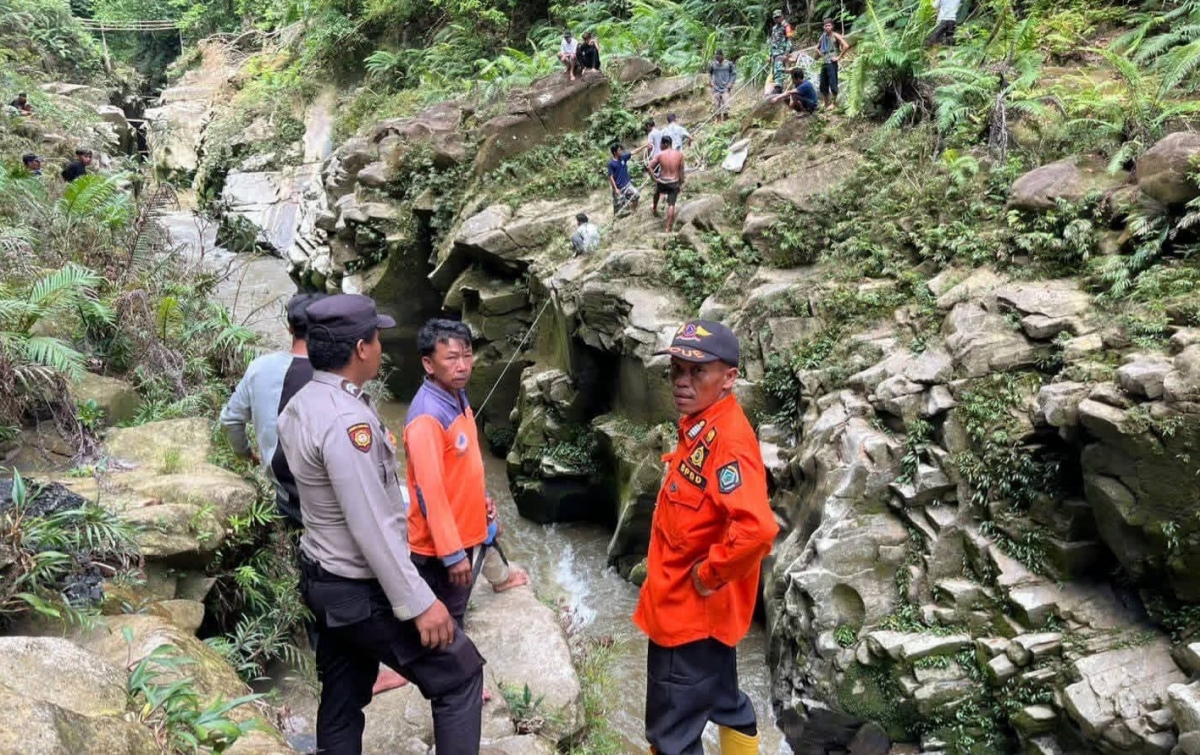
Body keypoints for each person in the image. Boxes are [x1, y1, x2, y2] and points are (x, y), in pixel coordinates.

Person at [276, 294, 485, 755]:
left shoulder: (305, 400)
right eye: (377, 338)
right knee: (460, 674)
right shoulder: (349, 422)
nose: (382, 347)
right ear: (360, 349)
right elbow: (370, 524)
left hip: (321, 574)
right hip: (358, 587)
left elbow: (287, 472)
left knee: (345, 692)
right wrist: (418, 603)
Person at [634, 320, 779, 755]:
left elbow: (757, 529)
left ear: (729, 378)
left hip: (687, 617)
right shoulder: (704, 425)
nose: (681, 381)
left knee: (671, 738)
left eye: (697, 372)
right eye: (676, 370)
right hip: (706, 619)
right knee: (724, 702)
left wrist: (709, 575)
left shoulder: (728, 441)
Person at [404, 318, 529, 627]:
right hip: (440, 548)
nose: (462, 366)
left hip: (466, 529)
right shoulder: (427, 417)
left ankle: (499, 576)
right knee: (447, 621)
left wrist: (482, 500)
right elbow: (429, 491)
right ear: (428, 363)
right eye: (451, 358)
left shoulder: (457, 397)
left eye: (467, 355)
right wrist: (452, 555)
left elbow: (464, 463)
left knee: (452, 613)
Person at [647, 135, 685, 234]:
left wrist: (654, 178)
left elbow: (649, 167)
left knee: (657, 192)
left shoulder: (660, 155)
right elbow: (681, 172)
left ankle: (654, 207)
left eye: (661, 143)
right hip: (674, 182)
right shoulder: (679, 155)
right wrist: (680, 184)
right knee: (671, 205)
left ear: (665, 144)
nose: (659, 145)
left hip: (662, 181)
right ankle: (667, 229)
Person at [816, 18, 851, 111]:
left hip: (832, 63)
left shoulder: (835, 35)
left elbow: (846, 46)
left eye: (829, 25)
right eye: (826, 26)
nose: (827, 27)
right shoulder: (822, 36)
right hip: (824, 63)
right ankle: (826, 104)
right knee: (823, 84)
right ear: (823, 27)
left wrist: (839, 57)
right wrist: (821, 54)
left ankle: (834, 104)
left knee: (833, 83)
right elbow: (817, 48)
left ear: (832, 26)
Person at [767, 10, 795, 94]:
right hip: (775, 53)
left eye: (778, 17)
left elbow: (789, 40)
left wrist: (786, 53)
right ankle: (777, 87)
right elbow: (772, 42)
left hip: (782, 52)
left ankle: (779, 88)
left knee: (779, 69)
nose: (777, 19)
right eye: (775, 18)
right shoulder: (774, 28)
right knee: (775, 71)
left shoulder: (786, 26)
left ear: (782, 16)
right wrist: (770, 55)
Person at [608, 143, 639, 216]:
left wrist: (645, 146)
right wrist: (616, 189)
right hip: (618, 188)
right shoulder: (611, 163)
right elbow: (611, 177)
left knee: (636, 195)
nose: (621, 151)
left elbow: (633, 152)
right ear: (615, 152)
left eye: (621, 150)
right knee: (618, 211)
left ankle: (633, 209)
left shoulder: (623, 157)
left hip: (627, 185)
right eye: (619, 150)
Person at [708, 50, 737, 122]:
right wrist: (711, 81)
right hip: (716, 87)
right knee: (716, 104)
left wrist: (731, 83)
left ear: (722, 56)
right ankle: (718, 120)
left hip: (725, 87)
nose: (717, 59)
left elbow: (734, 73)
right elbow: (709, 73)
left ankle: (725, 119)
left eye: (718, 57)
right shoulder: (713, 64)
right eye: (716, 57)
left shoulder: (728, 64)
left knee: (726, 105)